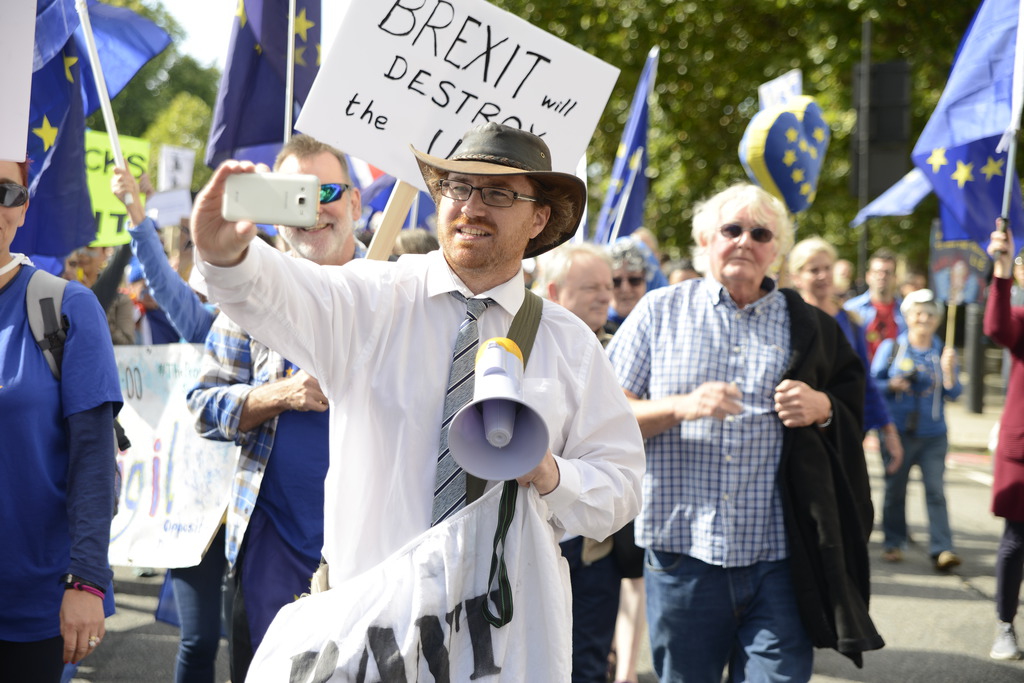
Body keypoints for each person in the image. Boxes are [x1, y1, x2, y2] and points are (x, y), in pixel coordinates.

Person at [189, 121, 644, 607]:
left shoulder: (569, 342)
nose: (471, 206)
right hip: (369, 625)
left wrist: (550, 473)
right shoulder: (369, 297)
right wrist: (225, 253)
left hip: (498, 637)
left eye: (499, 194)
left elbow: (619, 488)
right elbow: (268, 290)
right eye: (459, 187)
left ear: (538, 219)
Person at [607, 182, 882, 682]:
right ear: (706, 238)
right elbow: (605, 418)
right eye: (731, 229)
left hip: (780, 558)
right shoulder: (658, 311)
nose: (745, 241)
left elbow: (850, 401)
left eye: (760, 233)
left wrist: (822, 407)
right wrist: (682, 406)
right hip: (682, 554)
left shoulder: (812, 326)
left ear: (775, 250)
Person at [186, 134, 365, 682]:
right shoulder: (250, 298)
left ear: (356, 203)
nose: (312, 210)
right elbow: (202, 407)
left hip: (378, 551)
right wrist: (283, 394)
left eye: (326, 191)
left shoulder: (402, 292)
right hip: (274, 552)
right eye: (295, 195)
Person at [0, 159, 123, 680]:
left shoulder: (65, 305)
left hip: (28, 605)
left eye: (6, 191)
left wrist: (88, 581)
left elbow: (94, 460)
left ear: (23, 208)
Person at [112, 168, 226, 683]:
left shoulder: (298, 326)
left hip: (263, 512)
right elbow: (159, 275)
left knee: (265, 637)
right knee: (199, 638)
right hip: (199, 507)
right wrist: (138, 211)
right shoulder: (205, 323)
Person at [535, 242, 621, 681]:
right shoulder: (521, 348)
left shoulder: (616, 348)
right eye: (591, 287)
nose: (606, 296)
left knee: (586, 663)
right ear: (553, 290)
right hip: (528, 548)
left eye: (610, 286)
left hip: (593, 550)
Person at [788, 237, 904, 475]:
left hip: (843, 428)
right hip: (799, 431)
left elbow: (865, 381)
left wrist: (888, 430)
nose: (822, 275)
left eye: (827, 268)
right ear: (797, 277)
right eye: (814, 270)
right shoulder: (789, 320)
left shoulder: (850, 321)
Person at [870, 288, 962, 569]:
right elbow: (872, 387)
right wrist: (892, 385)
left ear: (937, 320)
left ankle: (942, 549)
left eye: (930, 314)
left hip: (933, 434)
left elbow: (955, 393)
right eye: (918, 313)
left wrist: (949, 373)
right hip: (898, 433)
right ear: (908, 317)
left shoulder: (943, 352)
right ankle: (893, 542)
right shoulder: (891, 348)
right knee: (895, 490)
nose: (924, 319)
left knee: (935, 491)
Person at [983, 225, 1024, 660]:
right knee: (1016, 541)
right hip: (1023, 451)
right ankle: (1004, 625)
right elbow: (995, 326)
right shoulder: (1022, 318)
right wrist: (1000, 268)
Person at [845, 248, 906, 362]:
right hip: (862, 374)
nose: (882, 276)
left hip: (893, 376)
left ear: (895, 278)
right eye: (877, 272)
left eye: (887, 272)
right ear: (868, 276)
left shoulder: (906, 311)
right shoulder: (851, 309)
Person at [605, 240, 649, 335]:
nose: (625, 289)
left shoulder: (660, 327)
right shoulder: (593, 330)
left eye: (634, 280)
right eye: (615, 282)